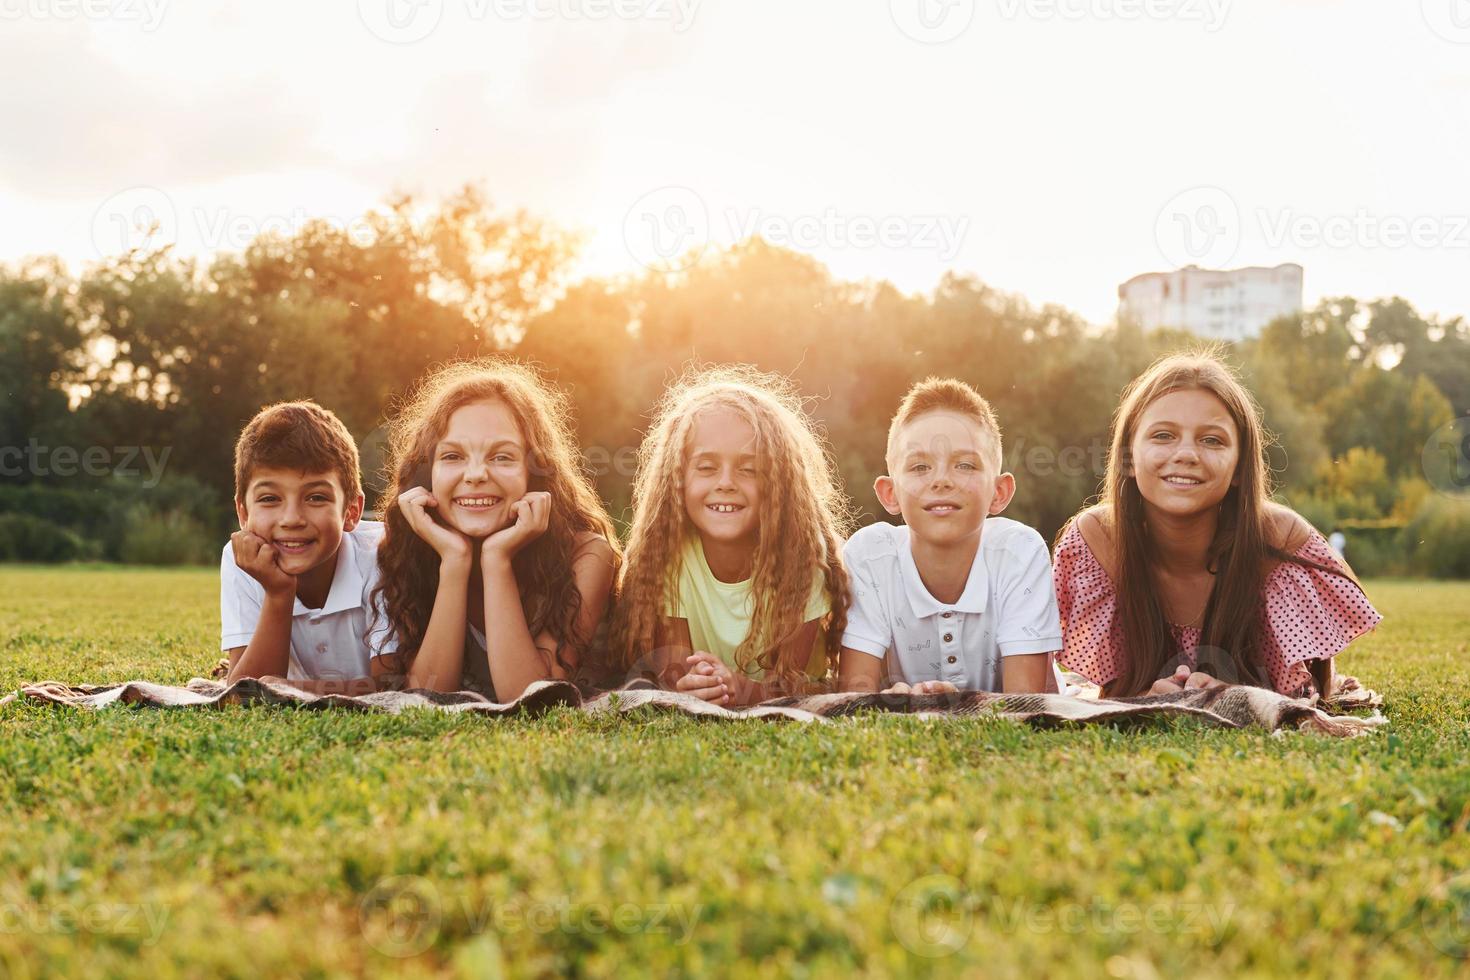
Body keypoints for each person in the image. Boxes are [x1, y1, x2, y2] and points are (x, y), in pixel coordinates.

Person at [1053, 351, 1381, 699]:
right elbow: (1109, 693)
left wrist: (1237, 695)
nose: (1186, 454)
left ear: (1240, 467)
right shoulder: (1098, 540)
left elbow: (1312, 695)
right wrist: (1142, 697)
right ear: (1129, 457)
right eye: (1163, 435)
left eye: (1212, 440)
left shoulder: (1281, 541)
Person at [369, 358, 620, 700]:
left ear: (535, 472)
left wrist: (496, 560)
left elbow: (529, 698)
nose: (475, 475)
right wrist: (454, 563)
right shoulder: (407, 551)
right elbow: (424, 699)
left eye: (501, 457)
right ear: (428, 474)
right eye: (453, 456)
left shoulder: (589, 555)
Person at [615, 366, 851, 706]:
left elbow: (792, 690)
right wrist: (699, 684)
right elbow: (677, 674)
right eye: (707, 467)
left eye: (748, 469)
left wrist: (737, 687)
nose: (725, 483)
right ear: (677, 480)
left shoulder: (803, 556)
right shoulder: (669, 556)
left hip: (787, 697)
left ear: (777, 484)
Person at [838, 378, 1062, 696]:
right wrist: (895, 703)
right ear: (890, 494)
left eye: (965, 465)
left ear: (999, 493)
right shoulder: (869, 556)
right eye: (919, 467)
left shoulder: (1019, 551)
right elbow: (854, 699)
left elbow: (1024, 704)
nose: (941, 480)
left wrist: (958, 707)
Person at [221, 401, 379, 694]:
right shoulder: (240, 559)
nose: (292, 519)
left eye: (316, 497)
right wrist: (279, 593)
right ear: (243, 514)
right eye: (270, 499)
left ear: (352, 511)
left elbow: (396, 686)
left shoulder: (382, 555)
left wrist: (291, 688)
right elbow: (244, 694)